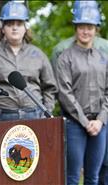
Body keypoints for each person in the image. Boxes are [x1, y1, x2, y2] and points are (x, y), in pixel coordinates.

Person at [0, 1, 57, 121]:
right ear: (2, 28)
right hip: (1, 115)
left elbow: (50, 88)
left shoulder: (38, 55)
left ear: (26, 27)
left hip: (35, 115)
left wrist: (46, 111)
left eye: (19, 24)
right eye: (9, 24)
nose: (14, 28)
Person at [54, 6, 107, 185]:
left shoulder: (103, 58)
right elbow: (64, 93)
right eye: (82, 26)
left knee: (93, 176)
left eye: (90, 27)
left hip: (100, 126)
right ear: (76, 28)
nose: (85, 31)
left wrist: (100, 120)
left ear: (96, 29)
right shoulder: (65, 58)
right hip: (74, 125)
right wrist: (85, 122)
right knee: (72, 177)